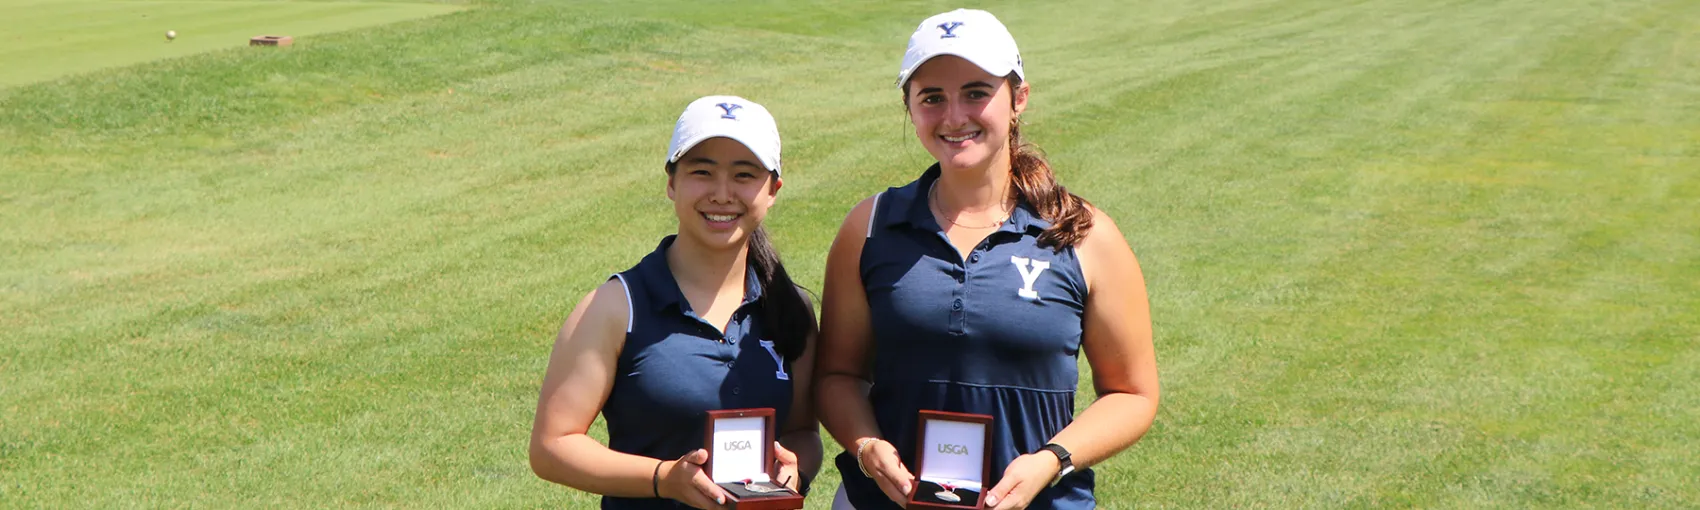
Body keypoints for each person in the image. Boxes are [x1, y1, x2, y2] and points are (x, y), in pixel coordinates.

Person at [815, 9, 1160, 510]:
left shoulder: (1083, 234)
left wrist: (1053, 459)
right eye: (932, 97)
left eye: (976, 92)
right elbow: (837, 376)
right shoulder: (869, 228)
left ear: (1018, 99)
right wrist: (868, 446)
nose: (954, 116)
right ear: (910, 107)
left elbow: (1132, 394)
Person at [530, 96, 821, 509]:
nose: (722, 194)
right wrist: (662, 478)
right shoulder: (616, 306)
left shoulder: (790, 308)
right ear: (671, 183)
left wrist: (795, 471)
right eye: (702, 172)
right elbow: (551, 446)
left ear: (772, 189)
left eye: (744, 175)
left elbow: (802, 432)